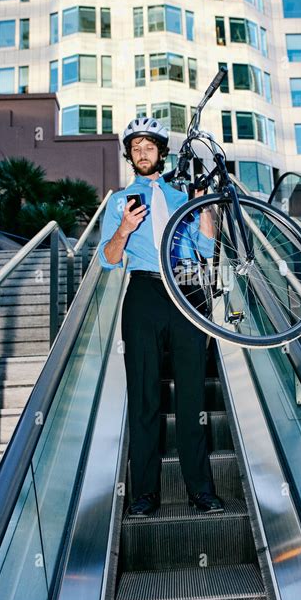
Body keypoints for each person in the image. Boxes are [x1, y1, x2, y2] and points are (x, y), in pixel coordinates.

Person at [98, 117, 224, 516]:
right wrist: (123, 229)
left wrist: (204, 205)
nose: (142, 153)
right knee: (144, 398)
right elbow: (107, 259)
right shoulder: (120, 200)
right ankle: (144, 495)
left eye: (148, 146)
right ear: (129, 156)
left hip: (184, 285)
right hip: (143, 291)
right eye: (135, 148)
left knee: (191, 395)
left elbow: (206, 248)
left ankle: (200, 490)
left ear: (161, 152)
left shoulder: (181, 194)